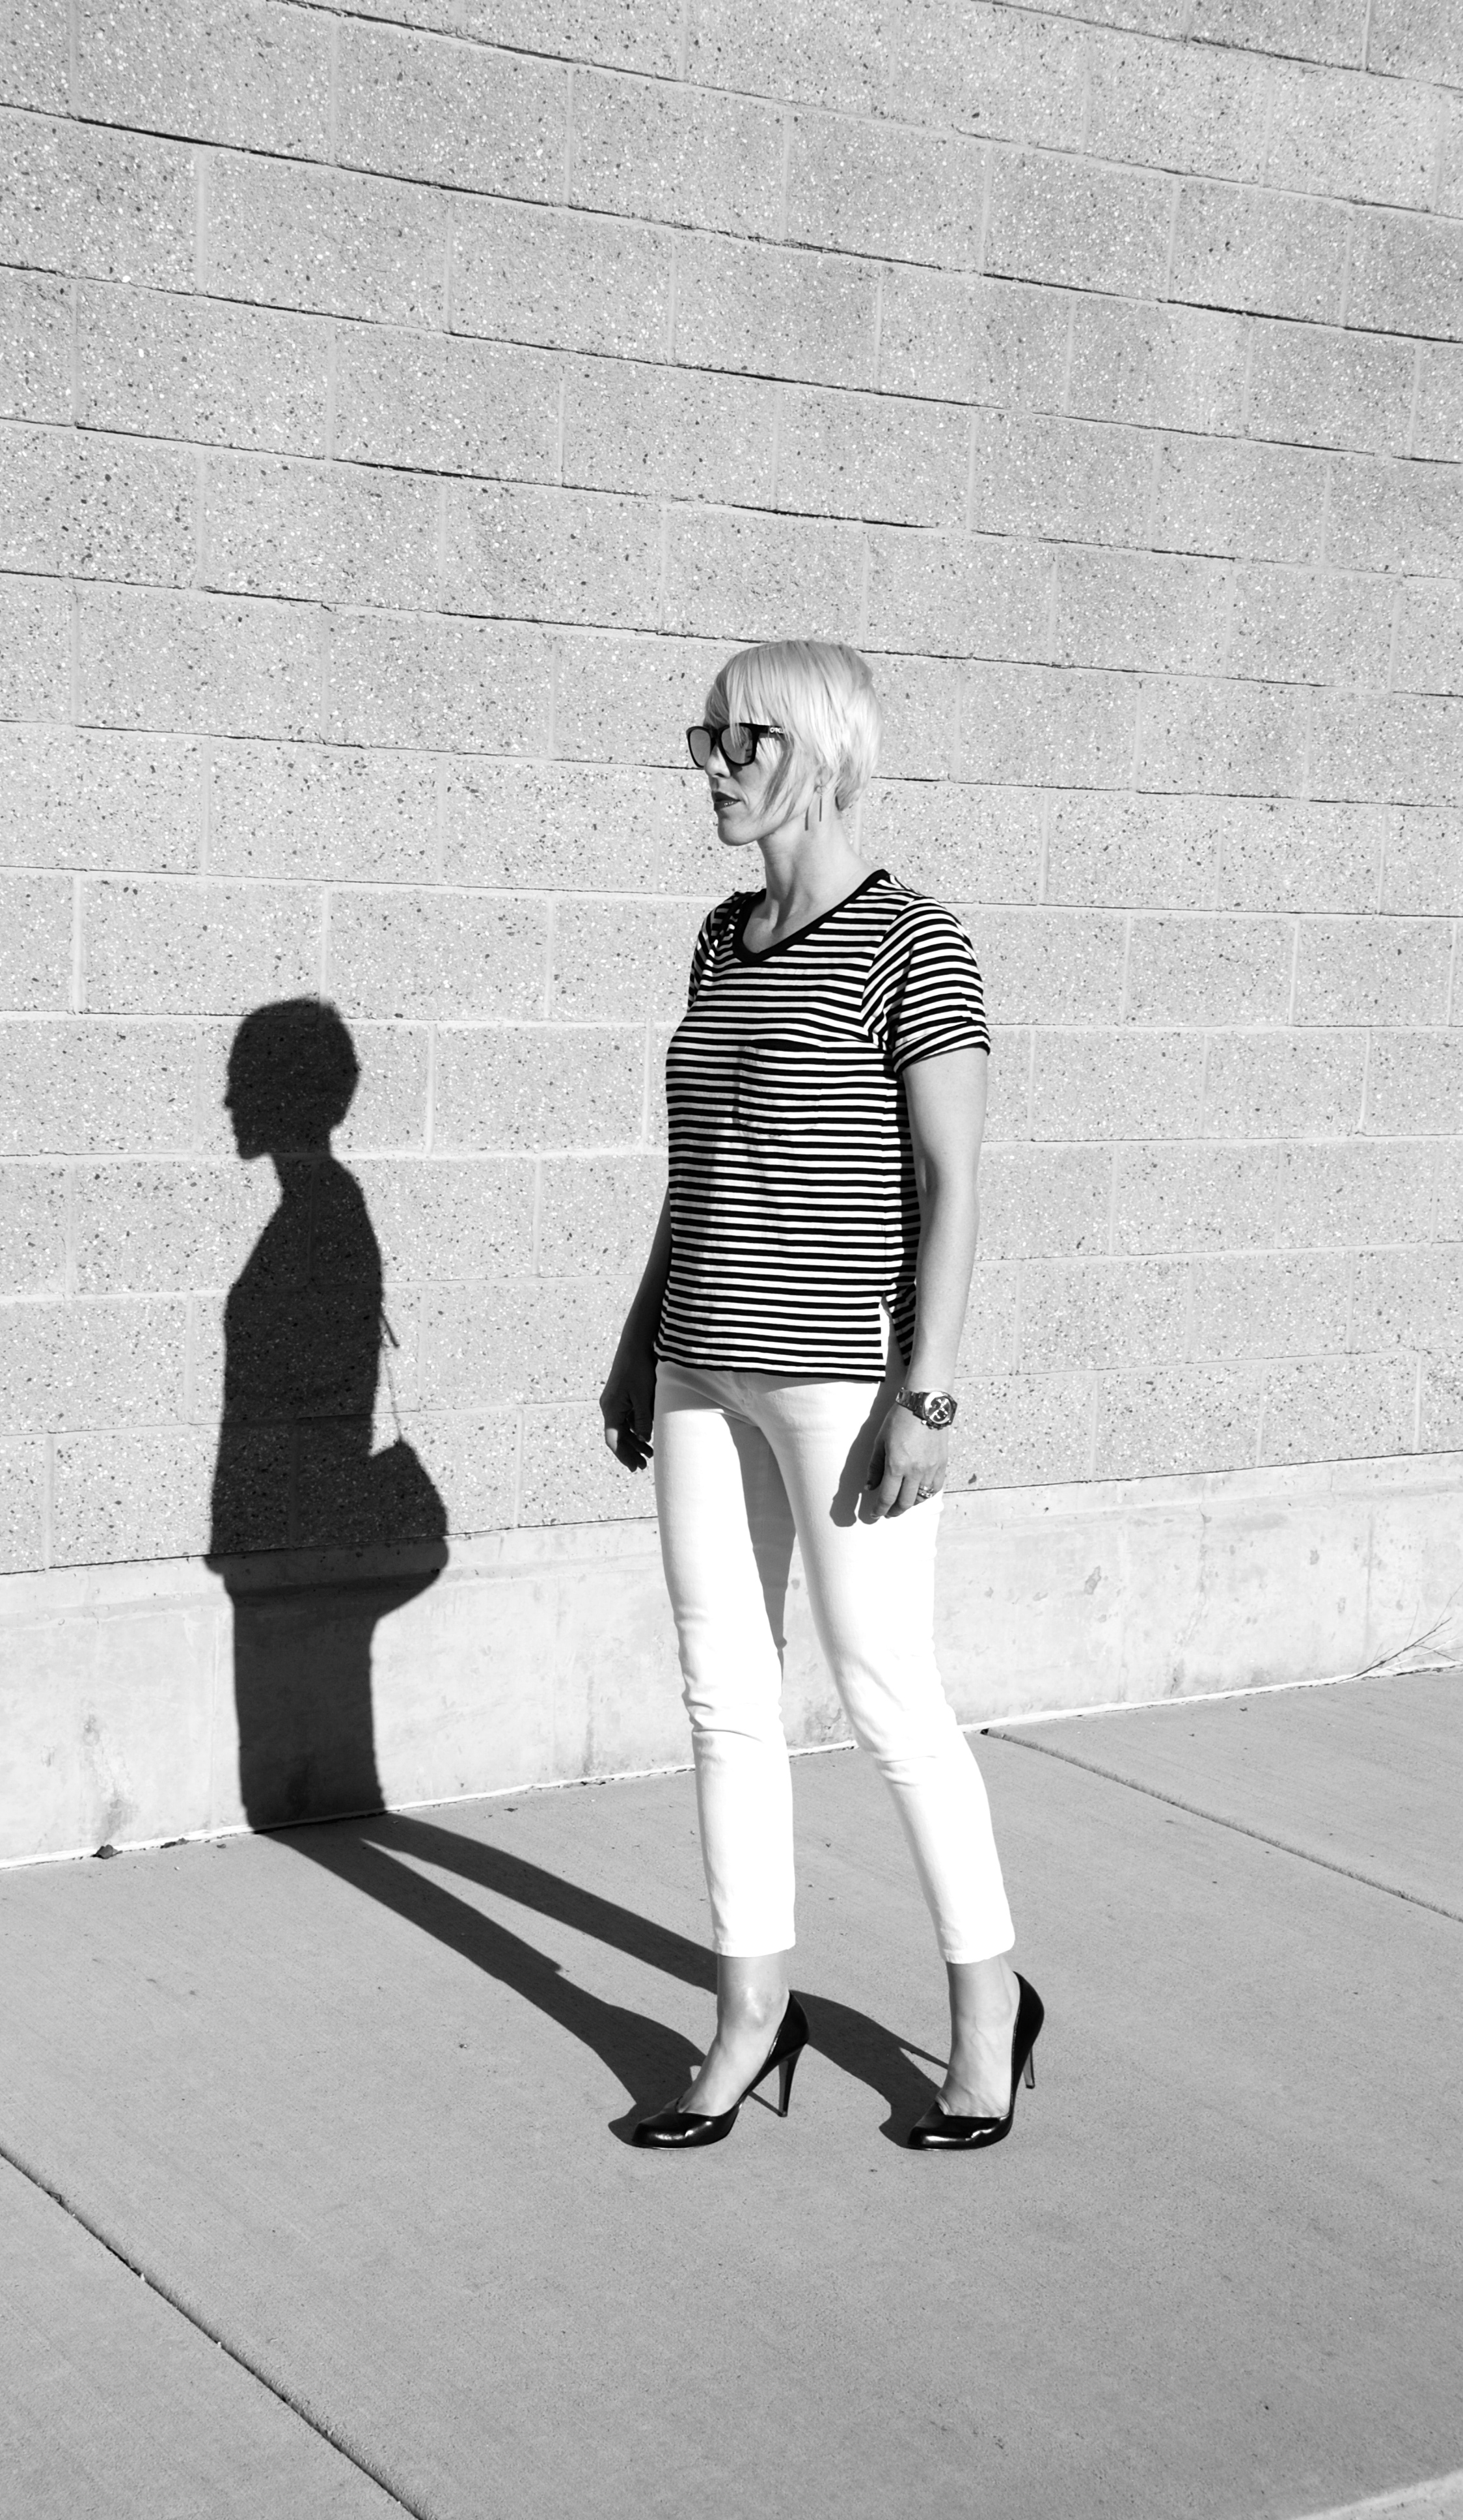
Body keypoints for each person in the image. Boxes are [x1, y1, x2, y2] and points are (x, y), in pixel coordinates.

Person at [600, 638, 1042, 2154]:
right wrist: (639, 1337)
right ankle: (748, 2017)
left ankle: (987, 2012)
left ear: (825, 752)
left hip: (842, 1379)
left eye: (745, 742)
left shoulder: (916, 940)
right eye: (706, 741)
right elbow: (698, 1170)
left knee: (886, 1696)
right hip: (698, 1364)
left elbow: (952, 1185)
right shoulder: (721, 939)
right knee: (724, 1698)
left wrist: (930, 1394)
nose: (714, 769)